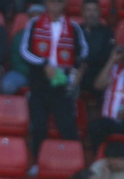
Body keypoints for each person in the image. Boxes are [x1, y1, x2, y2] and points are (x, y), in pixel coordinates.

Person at [19, 0, 86, 156]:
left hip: (62, 82)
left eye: (59, 3)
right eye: (52, 2)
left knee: (67, 126)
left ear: (63, 5)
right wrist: (44, 64)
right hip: (39, 82)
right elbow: (24, 50)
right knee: (39, 127)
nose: (55, 5)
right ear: (47, 4)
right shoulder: (34, 23)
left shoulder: (73, 26)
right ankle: (38, 162)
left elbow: (83, 51)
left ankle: (75, 161)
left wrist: (74, 68)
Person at [89, 37, 124, 153]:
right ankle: (98, 159)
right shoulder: (114, 69)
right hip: (109, 121)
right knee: (95, 126)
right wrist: (112, 60)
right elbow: (98, 86)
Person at [79, 0, 115, 79]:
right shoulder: (76, 30)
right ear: (83, 12)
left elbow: (104, 57)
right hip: (78, 73)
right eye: (88, 10)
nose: (91, 14)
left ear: (99, 12)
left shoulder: (107, 32)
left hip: (97, 74)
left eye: (94, 10)